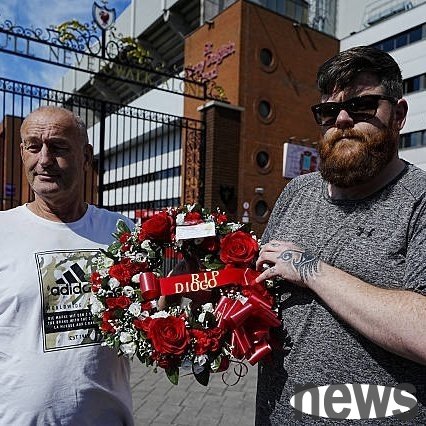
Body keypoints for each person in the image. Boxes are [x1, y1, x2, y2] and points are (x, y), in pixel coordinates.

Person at [255, 46, 426, 424]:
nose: (343, 120)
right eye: (328, 112)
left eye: (363, 106)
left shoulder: (420, 199)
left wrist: (309, 269)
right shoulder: (296, 193)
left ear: (398, 115)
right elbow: (260, 290)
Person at [0, 106, 135, 425]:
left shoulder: (123, 232)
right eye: (34, 146)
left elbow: (154, 314)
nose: (44, 160)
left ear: (86, 157)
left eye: (59, 147)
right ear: (22, 153)